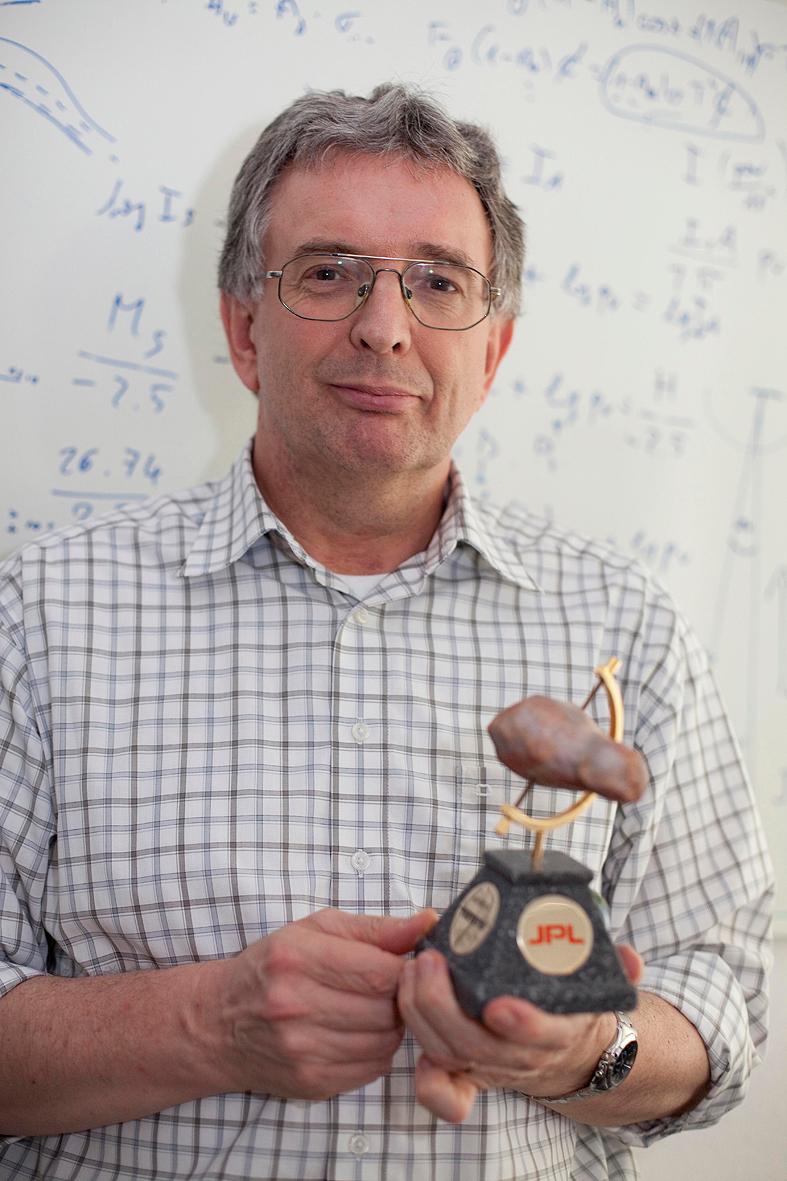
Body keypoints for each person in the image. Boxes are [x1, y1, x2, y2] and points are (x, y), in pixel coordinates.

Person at [0, 84, 773, 1181]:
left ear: (492, 351)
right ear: (243, 328)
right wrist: (206, 1024)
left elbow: (722, 995)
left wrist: (583, 1049)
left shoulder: (624, 626)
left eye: (437, 281)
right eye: (328, 272)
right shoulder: (38, 614)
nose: (384, 324)